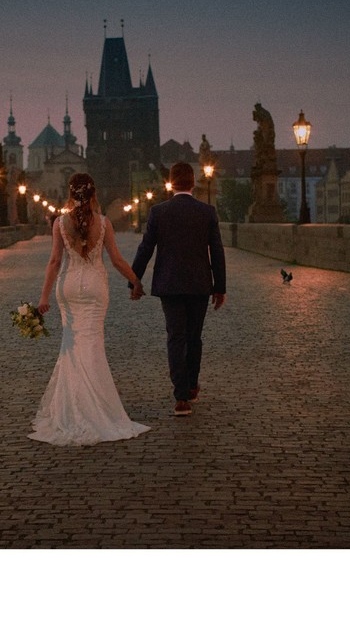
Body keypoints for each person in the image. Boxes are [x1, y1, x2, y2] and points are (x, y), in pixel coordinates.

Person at [31, 173, 150, 446]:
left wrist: (44, 297)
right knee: (93, 346)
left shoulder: (60, 223)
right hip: (96, 289)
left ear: (71, 194)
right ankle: (96, 408)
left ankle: (71, 409)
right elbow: (117, 260)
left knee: (70, 346)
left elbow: (54, 262)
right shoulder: (105, 223)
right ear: (94, 194)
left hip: (69, 288)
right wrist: (135, 281)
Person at [131, 162, 226, 417]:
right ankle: (192, 386)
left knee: (175, 337)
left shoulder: (158, 212)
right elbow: (216, 251)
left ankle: (181, 397)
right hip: (199, 285)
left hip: (169, 284)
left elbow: (146, 249)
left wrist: (134, 280)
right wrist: (220, 287)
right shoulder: (207, 211)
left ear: (171, 183)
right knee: (194, 337)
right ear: (193, 182)